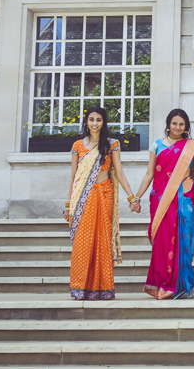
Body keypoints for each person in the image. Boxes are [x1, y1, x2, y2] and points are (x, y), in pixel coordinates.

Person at [62, 106, 141, 300]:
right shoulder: (77, 146)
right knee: (83, 241)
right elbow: (73, 177)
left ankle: (102, 288)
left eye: (98, 119)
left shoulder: (112, 144)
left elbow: (119, 173)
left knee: (102, 241)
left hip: (104, 194)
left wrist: (132, 197)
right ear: (86, 122)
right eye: (91, 119)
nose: (95, 123)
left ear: (103, 122)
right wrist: (67, 204)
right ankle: (81, 288)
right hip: (83, 198)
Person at [133, 108, 194, 299]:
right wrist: (137, 196)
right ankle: (161, 284)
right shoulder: (156, 145)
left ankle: (181, 284)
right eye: (174, 123)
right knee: (162, 242)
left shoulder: (193, 146)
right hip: (160, 199)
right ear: (168, 125)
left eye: (181, 124)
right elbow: (150, 173)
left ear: (186, 127)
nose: (177, 127)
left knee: (182, 240)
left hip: (184, 198)